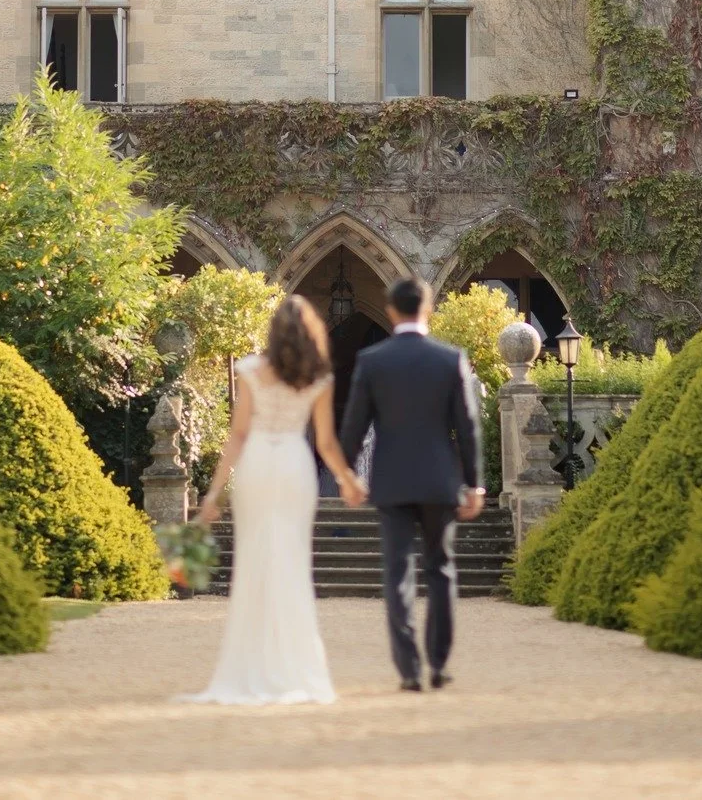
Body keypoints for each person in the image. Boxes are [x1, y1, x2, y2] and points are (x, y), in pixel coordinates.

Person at [185, 295, 365, 705]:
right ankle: (293, 662)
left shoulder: (249, 370)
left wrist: (214, 493)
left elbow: (238, 435)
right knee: (291, 557)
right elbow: (325, 442)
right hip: (294, 466)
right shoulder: (319, 378)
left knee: (255, 556)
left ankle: (251, 661)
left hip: (258, 465)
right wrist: (347, 479)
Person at [339, 276, 484, 693]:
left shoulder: (372, 360)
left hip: (393, 481)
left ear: (390, 311)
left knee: (398, 573)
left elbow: (353, 427)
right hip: (441, 480)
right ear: (428, 309)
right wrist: (474, 485)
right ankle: (438, 664)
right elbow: (468, 428)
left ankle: (408, 669)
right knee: (441, 570)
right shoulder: (450, 358)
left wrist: (348, 475)